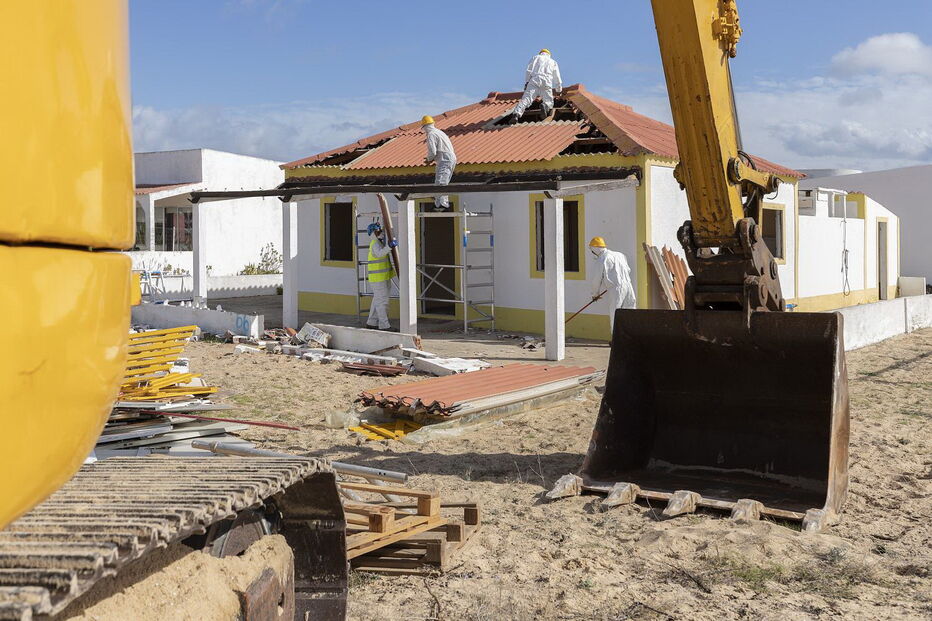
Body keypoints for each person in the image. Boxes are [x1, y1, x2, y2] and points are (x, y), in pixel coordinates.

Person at [588, 236, 636, 334]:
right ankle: (630, 337)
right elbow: (628, 270)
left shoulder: (602, 259)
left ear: (595, 248)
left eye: (592, 250)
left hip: (616, 289)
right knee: (630, 311)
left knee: (615, 313)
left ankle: (616, 339)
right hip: (628, 286)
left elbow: (596, 279)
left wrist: (595, 294)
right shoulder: (620, 255)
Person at [511, 48, 563, 121]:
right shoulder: (553, 62)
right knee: (548, 101)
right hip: (547, 81)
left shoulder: (535, 58)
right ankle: (545, 105)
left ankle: (516, 114)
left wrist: (527, 82)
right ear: (549, 55)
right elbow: (557, 77)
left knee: (526, 99)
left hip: (534, 80)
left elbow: (529, 71)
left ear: (540, 53)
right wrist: (559, 90)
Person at [422, 115, 457, 211]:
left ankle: (441, 205)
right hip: (449, 157)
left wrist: (428, 159)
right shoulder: (440, 132)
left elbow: (432, 152)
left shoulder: (431, 134)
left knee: (441, 181)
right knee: (443, 181)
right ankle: (439, 204)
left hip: (444, 158)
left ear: (424, 127)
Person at [366, 221, 396, 331]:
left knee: (377, 301)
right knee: (382, 302)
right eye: (379, 231)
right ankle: (384, 325)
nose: (381, 233)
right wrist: (389, 246)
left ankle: (372, 322)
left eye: (381, 231)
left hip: (382, 277)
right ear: (373, 233)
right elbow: (380, 254)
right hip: (378, 279)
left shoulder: (378, 243)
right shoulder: (375, 243)